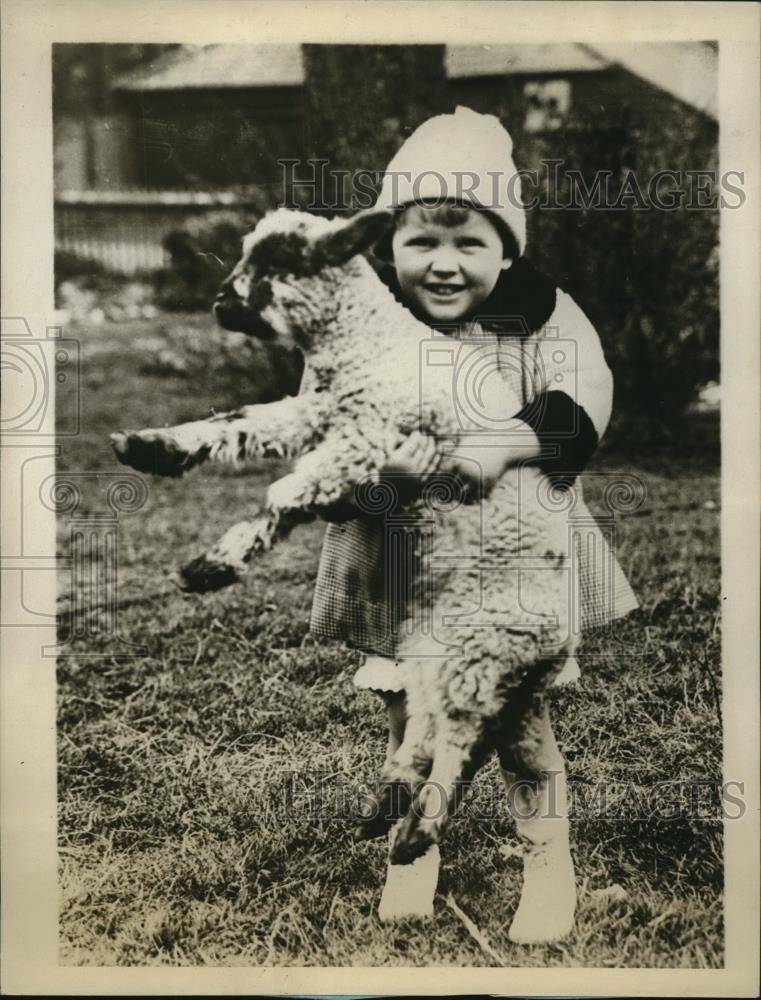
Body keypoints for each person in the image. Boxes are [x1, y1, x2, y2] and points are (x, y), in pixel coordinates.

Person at [309, 106, 639, 919]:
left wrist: (501, 445)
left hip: (510, 564)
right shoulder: (364, 325)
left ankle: (546, 862)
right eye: (422, 241)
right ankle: (412, 855)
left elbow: (580, 404)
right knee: (410, 713)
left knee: (519, 724)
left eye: (469, 241)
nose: (445, 264)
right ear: (386, 244)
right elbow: (324, 432)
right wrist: (376, 469)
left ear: (505, 247)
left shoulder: (542, 316)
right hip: (406, 562)